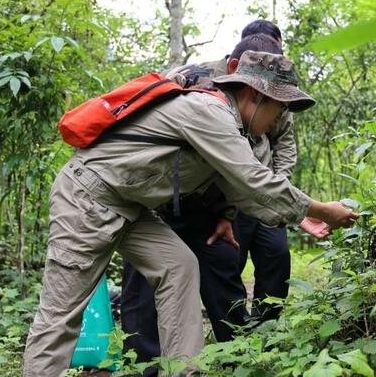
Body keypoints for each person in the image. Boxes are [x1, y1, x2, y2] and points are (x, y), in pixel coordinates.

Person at [23, 50, 357, 377]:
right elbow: (254, 179)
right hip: (88, 196)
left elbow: (244, 193)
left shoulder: (234, 128)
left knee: (179, 266)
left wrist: (301, 216)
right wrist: (321, 209)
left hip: (129, 206)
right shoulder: (210, 111)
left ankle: (183, 370)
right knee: (62, 314)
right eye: (279, 110)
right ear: (255, 96)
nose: (279, 121)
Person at [120, 28, 301, 375]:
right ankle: (144, 365)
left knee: (222, 269)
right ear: (236, 63)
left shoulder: (269, 97)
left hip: (210, 202)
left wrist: (230, 212)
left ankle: (239, 355)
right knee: (143, 283)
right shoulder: (191, 79)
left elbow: (248, 162)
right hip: (155, 199)